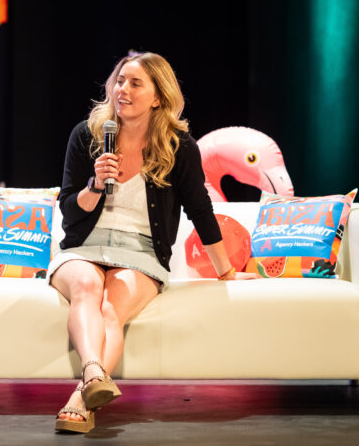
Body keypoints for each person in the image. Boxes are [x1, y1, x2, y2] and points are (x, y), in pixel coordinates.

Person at [49, 51, 256, 433]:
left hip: (141, 252)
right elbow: (68, 210)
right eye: (120, 81)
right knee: (87, 285)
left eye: (135, 83)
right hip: (84, 245)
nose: (123, 89)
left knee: (112, 307)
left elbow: (200, 210)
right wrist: (94, 184)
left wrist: (226, 270)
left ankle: (80, 398)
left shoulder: (178, 148)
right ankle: (94, 377)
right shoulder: (88, 136)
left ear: (158, 97)